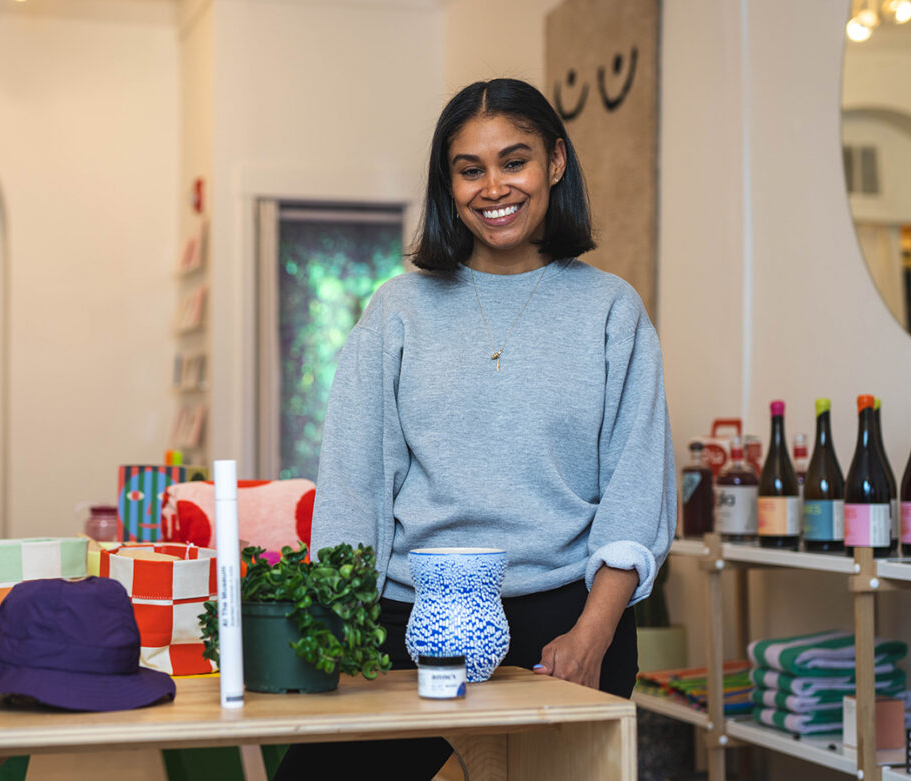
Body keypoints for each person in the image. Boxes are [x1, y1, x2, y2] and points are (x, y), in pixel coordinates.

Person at [273, 77, 676, 780]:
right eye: (470, 169)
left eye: (513, 161)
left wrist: (594, 633)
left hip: (565, 627)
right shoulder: (397, 310)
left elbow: (636, 490)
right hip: (409, 622)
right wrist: (337, 628)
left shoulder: (612, 310)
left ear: (554, 163)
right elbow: (354, 484)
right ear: (448, 183)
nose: (494, 187)